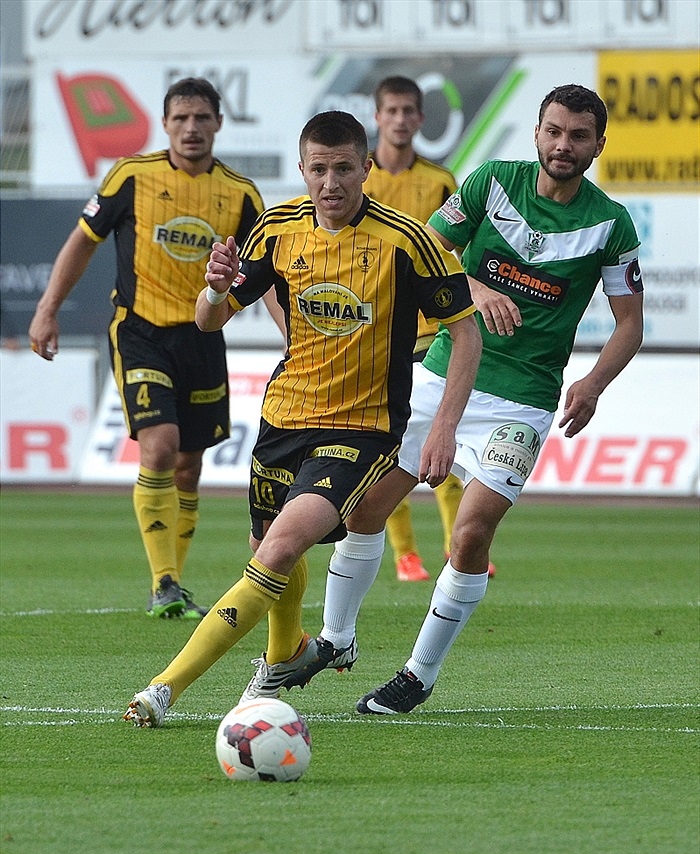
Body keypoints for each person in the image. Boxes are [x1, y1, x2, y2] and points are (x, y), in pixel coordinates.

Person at [282, 84, 645, 714]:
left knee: (470, 535)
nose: (563, 146)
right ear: (536, 134)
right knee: (363, 509)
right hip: (444, 375)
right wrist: (474, 288)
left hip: (523, 400)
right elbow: (426, 249)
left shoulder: (611, 224)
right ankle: (337, 639)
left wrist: (591, 384)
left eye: (578, 136)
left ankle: (417, 676)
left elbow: (630, 325)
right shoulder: (490, 182)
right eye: (553, 131)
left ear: (598, 145)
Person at [123, 109, 482, 728]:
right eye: (319, 169)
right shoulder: (277, 228)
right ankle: (284, 653)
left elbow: (466, 332)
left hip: (362, 429)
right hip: (283, 418)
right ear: (303, 170)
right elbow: (212, 319)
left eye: (344, 168)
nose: (331, 182)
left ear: (366, 169)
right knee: (267, 544)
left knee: (284, 544)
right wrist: (212, 288)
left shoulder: (406, 240)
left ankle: (163, 688)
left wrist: (445, 423)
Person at [28, 78, 267, 620]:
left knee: (188, 466)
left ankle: (174, 582)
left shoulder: (242, 195)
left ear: (218, 124)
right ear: (165, 124)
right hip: (139, 331)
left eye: (201, 118)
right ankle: (163, 582)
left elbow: (265, 275)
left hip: (203, 337)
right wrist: (47, 308)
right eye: (180, 118)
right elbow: (83, 240)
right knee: (158, 446)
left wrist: (293, 335)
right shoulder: (131, 177)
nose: (191, 128)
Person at [363, 75, 477, 583]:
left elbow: (462, 252)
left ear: (421, 119)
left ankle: (460, 549)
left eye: (410, 111)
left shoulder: (440, 181)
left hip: (431, 330)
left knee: (440, 439)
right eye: (393, 110)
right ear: (378, 116)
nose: (402, 119)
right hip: (374, 332)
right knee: (389, 447)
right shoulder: (358, 178)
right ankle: (405, 554)